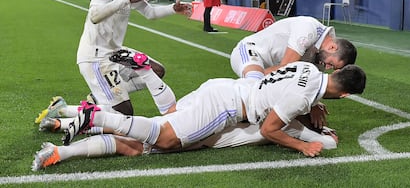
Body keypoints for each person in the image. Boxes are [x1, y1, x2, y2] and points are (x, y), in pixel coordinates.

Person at [61, 55, 366, 159]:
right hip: (226, 107)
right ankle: (97, 114)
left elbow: (273, 75)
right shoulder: (302, 101)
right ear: (344, 96)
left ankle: (70, 118)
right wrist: (303, 147)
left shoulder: (308, 69)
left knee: (164, 122)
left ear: (336, 71)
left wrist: (308, 106)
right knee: (164, 140)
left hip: (226, 88)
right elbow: (268, 129)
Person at [42, 0, 192, 123]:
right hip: (95, 57)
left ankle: (101, 97)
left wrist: (174, 9)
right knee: (124, 116)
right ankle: (64, 114)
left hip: (114, 54)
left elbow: (150, 13)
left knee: (156, 71)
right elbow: (95, 15)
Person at [33, 110, 339, 171]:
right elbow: (327, 144)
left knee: (138, 139)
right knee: (140, 142)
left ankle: (64, 122)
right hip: (208, 130)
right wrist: (325, 135)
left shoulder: (276, 110)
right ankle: (84, 122)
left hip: (208, 114)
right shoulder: (284, 125)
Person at [230, 16, 357, 80]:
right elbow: (285, 70)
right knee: (255, 82)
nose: (327, 68)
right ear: (333, 47)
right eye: (331, 64)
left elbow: (304, 85)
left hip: (270, 66)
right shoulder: (309, 29)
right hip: (250, 50)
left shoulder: (320, 56)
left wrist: (312, 107)